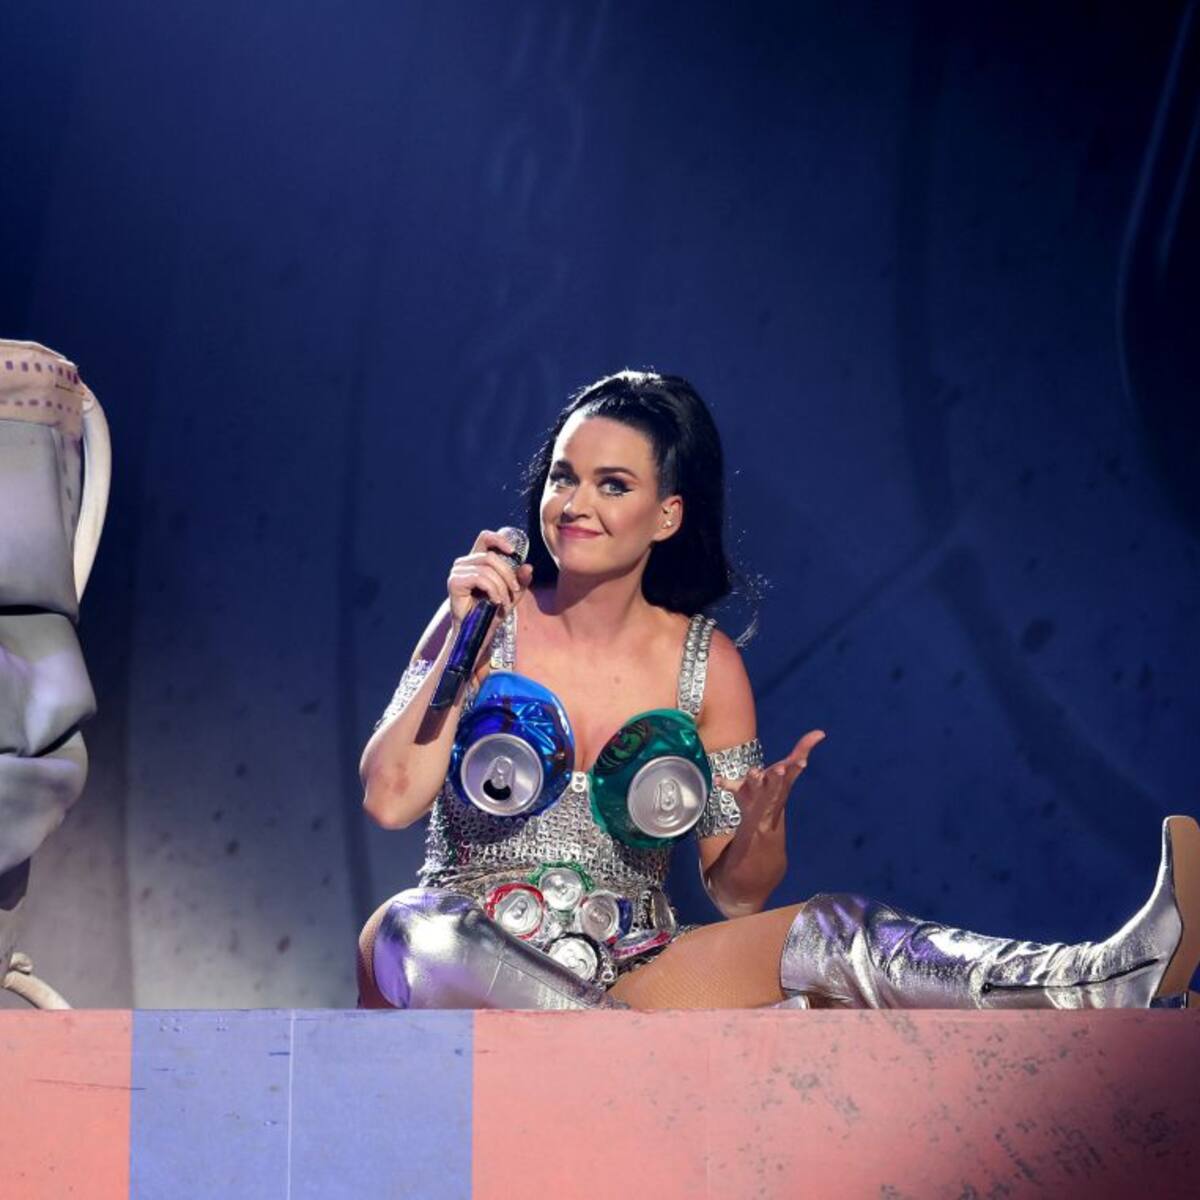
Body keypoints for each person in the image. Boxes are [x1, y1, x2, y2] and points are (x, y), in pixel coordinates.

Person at [357, 370, 1199, 1011]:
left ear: (667, 515)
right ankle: (616, 1056)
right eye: (563, 477)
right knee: (410, 927)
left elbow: (737, 894)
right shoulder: (485, 617)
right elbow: (390, 800)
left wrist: (757, 829)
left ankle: (1101, 980)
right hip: (466, 953)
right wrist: (457, 655)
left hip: (630, 968)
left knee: (833, 931)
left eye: (613, 484)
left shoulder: (706, 663)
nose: (576, 504)